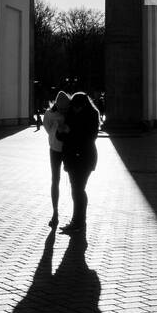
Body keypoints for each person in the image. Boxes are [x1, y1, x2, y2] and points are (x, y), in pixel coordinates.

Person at [56, 92, 101, 234]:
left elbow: (90, 137)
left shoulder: (92, 115)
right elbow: (60, 136)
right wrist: (61, 130)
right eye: (74, 107)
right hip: (71, 158)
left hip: (85, 157)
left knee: (78, 189)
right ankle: (77, 221)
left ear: (84, 105)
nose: (75, 109)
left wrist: (71, 131)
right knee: (76, 190)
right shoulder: (70, 113)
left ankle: (79, 221)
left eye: (78, 107)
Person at [40, 92, 72, 227]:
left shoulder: (71, 113)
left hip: (68, 149)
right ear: (56, 105)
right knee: (55, 180)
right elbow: (47, 128)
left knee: (73, 182)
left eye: (65, 109)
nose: (63, 111)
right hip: (55, 149)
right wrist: (55, 132)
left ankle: (73, 215)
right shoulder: (49, 114)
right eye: (61, 109)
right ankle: (55, 212)